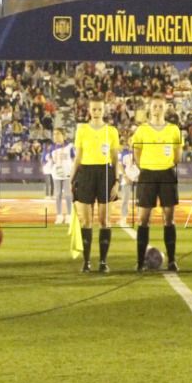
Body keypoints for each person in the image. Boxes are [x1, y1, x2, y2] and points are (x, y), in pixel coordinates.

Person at [131, 95, 184, 271]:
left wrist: (164, 164)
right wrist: (147, 167)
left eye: (160, 106)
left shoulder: (174, 130)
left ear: (165, 108)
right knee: (143, 218)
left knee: (169, 217)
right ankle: (140, 262)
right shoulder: (142, 130)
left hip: (167, 174)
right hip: (147, 175)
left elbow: (177, 155)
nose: (157, 109)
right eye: (154, 106)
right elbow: (136, 153)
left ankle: (172, 260)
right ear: (150, 107)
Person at [72, 98, 121, 273]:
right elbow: (78, 157)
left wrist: (117, 181)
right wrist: (72, 179)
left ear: (104, 110)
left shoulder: (111, 131)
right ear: (89, 110)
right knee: (86, 221)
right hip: (86, 173)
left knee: (104, 220)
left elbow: (115, 158)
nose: (96, 112)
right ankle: (86, 262)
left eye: (99, 109)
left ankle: (103, 261)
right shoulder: (82, 130)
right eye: (94, 109)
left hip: (105, 174)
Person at [45, 126, 76, 226]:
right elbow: (48, 160)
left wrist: (74, 171)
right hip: (56, 174)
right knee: (57, 194)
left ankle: (69, 215)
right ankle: (59, 215)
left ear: (64, 135)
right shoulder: (51, 148)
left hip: (67, 173)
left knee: (68, 194)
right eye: (54, 134)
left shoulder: (69, 146)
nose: (55, 136)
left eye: (58, 134)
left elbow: (74, 158)